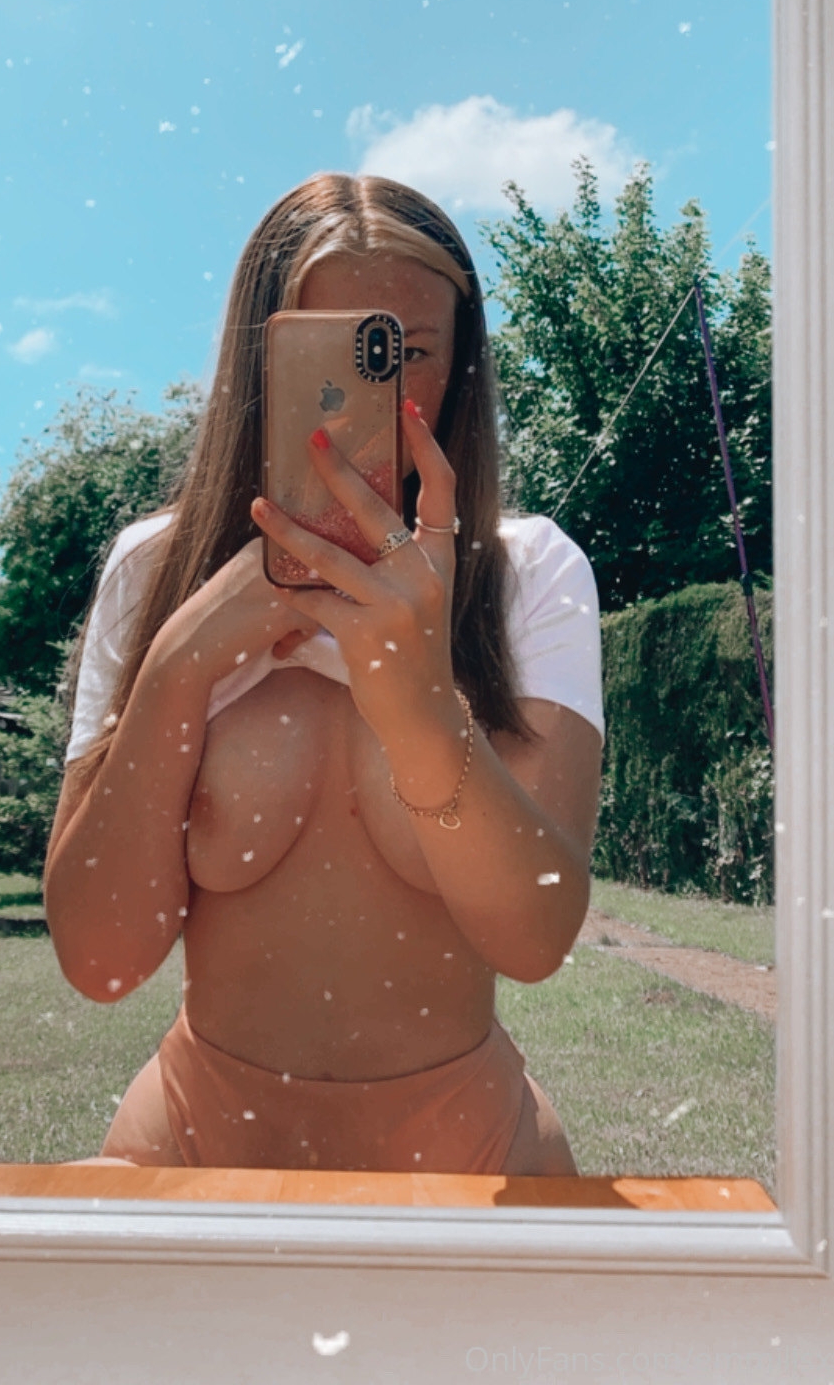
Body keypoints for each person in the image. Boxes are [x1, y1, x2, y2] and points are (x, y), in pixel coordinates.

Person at [44, 173, 603, 1176]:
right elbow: (100, 958)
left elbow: (535, 941)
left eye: (406, 351)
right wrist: (179, 665)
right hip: (190, 1139)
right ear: (260, 360)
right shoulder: (154, 569)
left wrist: (421, 704)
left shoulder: (530, 572)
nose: (367, 392)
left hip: (471, 1148)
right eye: (330, 349)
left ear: (462, 366)